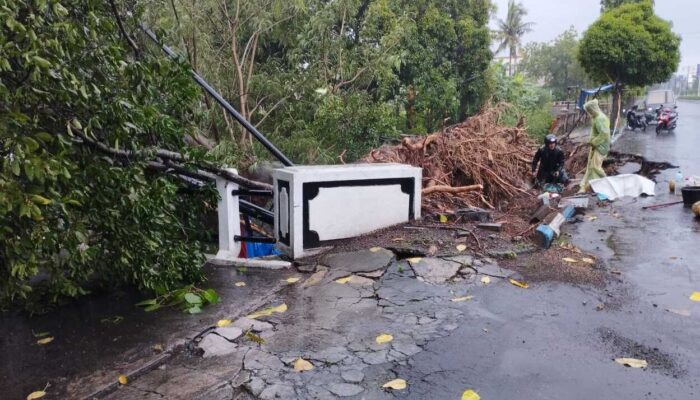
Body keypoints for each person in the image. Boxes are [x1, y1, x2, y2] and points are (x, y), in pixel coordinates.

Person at [578, 99, 611, 193]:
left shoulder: (600, 118)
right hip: (596, 146)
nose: (588, 113)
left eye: (589, 111)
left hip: (601, 147)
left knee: (595, 167)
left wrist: (594, 142)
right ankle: (585, 186)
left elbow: (604, 133)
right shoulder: (596, 118)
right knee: (590, 166)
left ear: (592, 109)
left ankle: (606, 183)